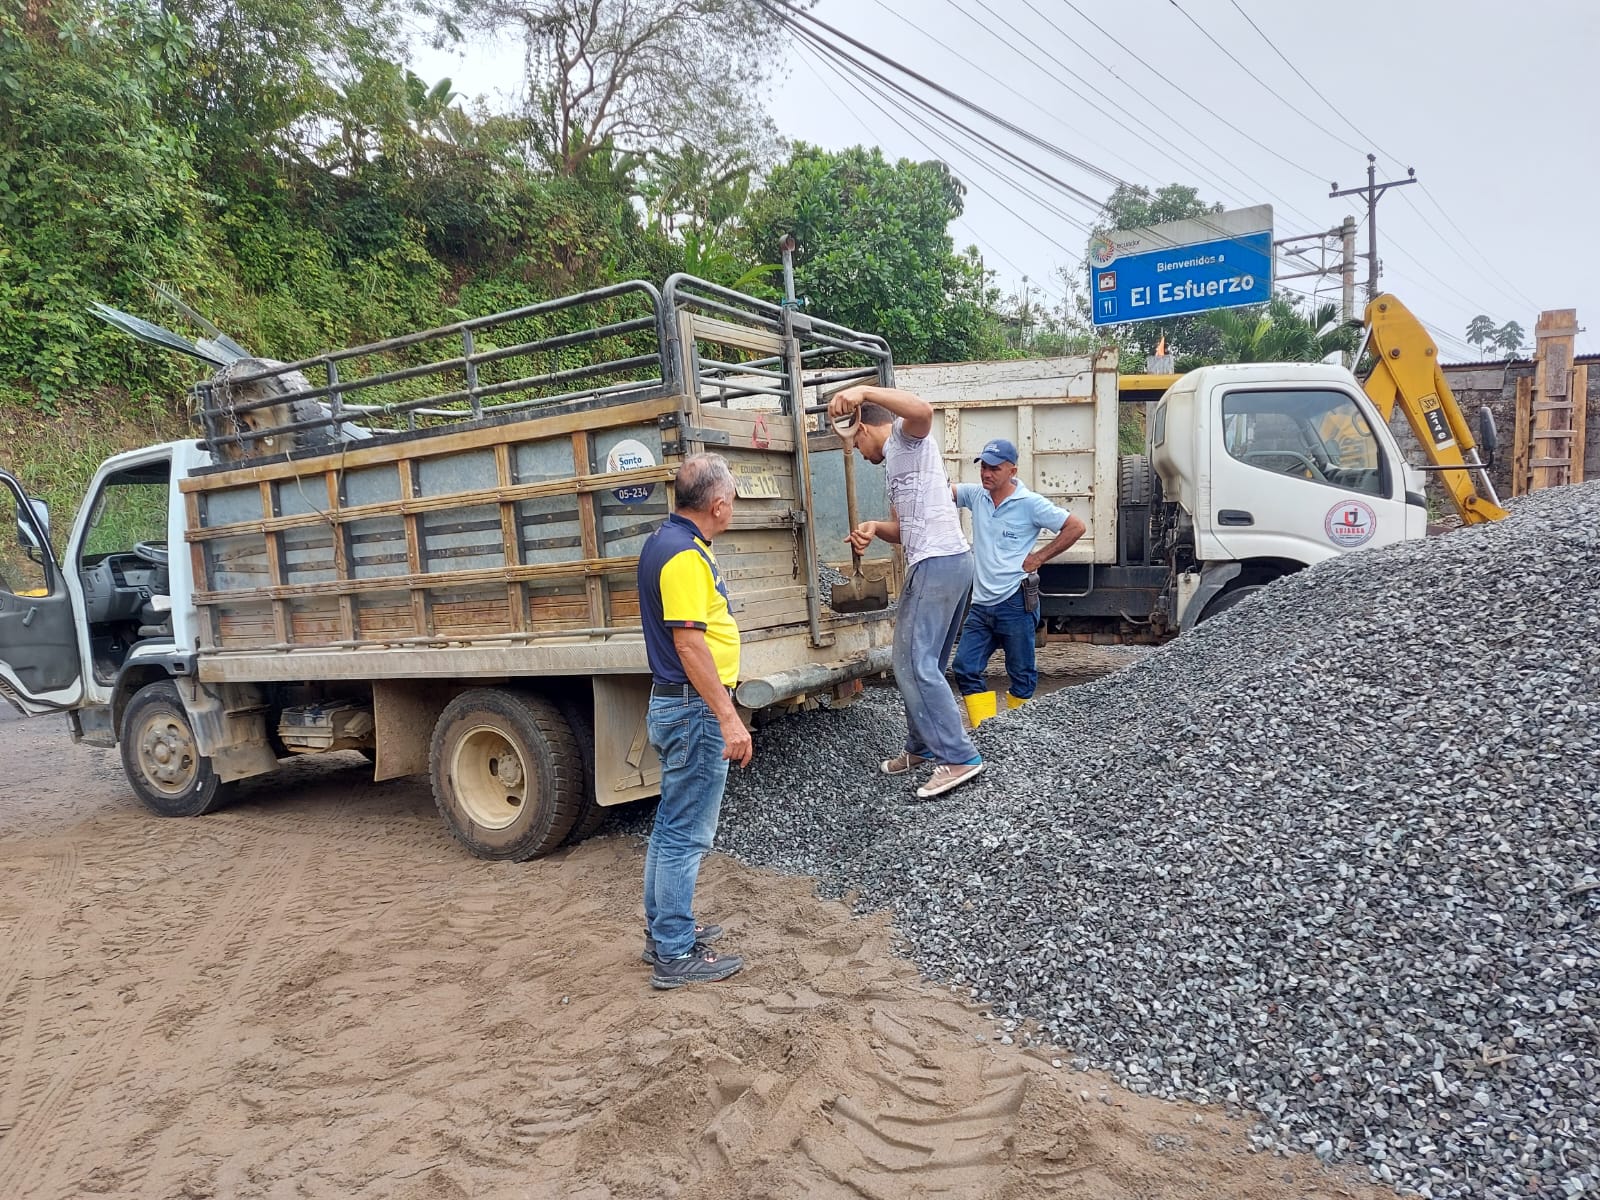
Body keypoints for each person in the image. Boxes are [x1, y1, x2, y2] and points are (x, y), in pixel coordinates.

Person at [828, 384, 984, 800]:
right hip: (949, 562)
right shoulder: (897, 462)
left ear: (861, 428)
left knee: (913, 663)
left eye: (856, 445)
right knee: (921, 663)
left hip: (937, 562)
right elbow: (904, 529)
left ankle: (958, 757)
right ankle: (921, 746)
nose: (859, 454)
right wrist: (875, 529)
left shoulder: (904, 436)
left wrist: (862, 390)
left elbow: (923, 410)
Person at [637, 452, 752, 989]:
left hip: (679, 704)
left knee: (670, 827)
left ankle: (663, 933)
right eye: (733, 499)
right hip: (694, 710)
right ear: (718, 504)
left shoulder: (666, 541)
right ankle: (675, 953)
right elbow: (689, 644)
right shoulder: (683, 556)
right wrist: (728, 717)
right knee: (686, 835)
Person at [951, 438, 1086, 725]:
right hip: (981, 605)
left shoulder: (1030, 503)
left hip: (1014, 602)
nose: (986, 473)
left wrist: (1039, 557)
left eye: (994, 469)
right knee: (964, 667)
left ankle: (1019, 733)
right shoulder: (977, 496)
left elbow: (1076, 526)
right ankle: (987, 732)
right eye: (983, 467)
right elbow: (945, 492)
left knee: (1021, 673)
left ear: (1012, 471)